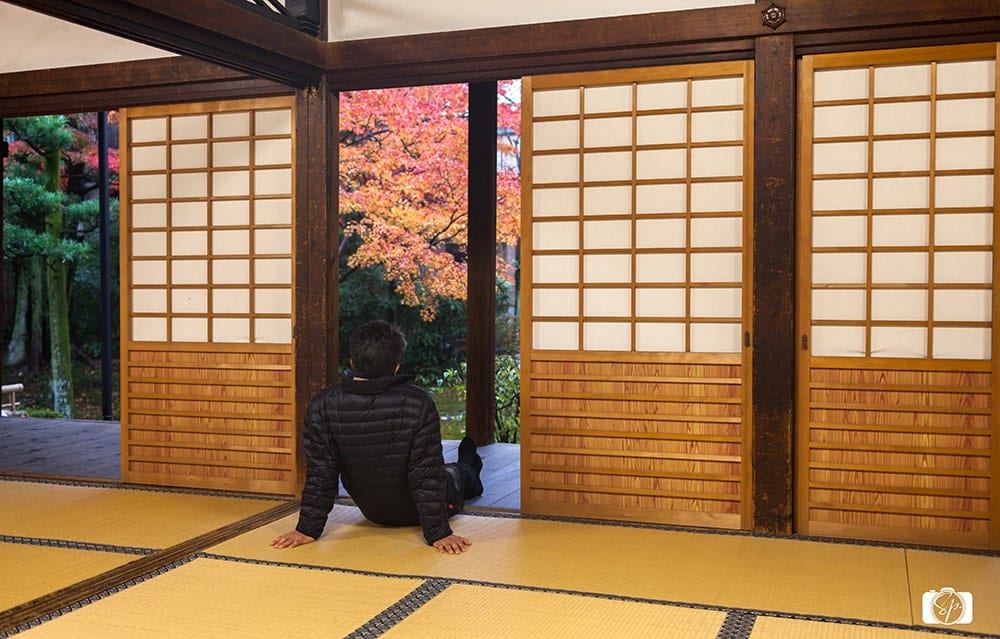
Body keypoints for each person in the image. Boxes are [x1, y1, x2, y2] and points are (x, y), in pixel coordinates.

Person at [271, 320, 484, 554]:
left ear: (353, 362)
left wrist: (307, 529)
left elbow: (321, 473)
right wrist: (439, 533)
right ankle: (468, 460)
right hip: (428, 506)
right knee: (458, 475)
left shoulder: (322, 403)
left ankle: (468, 458)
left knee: (452, 470)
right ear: (396, 367)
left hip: (373, 513)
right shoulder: (418, 402)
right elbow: (426, 475)